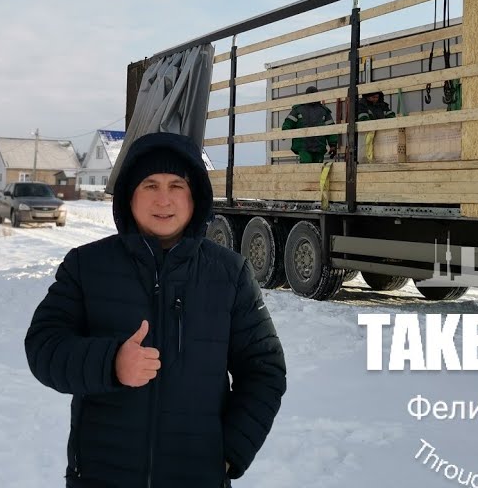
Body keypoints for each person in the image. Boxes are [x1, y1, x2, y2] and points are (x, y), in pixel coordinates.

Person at [25, 131, 286, 487]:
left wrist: (229, 453)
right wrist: (111, 363)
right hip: (102, 476)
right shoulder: (87, 266)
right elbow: (43, 347)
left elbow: (264, 370)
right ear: (130, 197)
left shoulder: (230, 274)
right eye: (150, 185)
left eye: (176, 185)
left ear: (195, 197)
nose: (164, 199)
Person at [282, 86, 338, 163]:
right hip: (303, 146)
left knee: (317, 170)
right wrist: (285, 132)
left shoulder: (323, 111)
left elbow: (331, 129)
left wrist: (333, 145)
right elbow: (288, 122)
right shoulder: (298, 110)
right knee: (306, 167)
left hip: (319, 146)